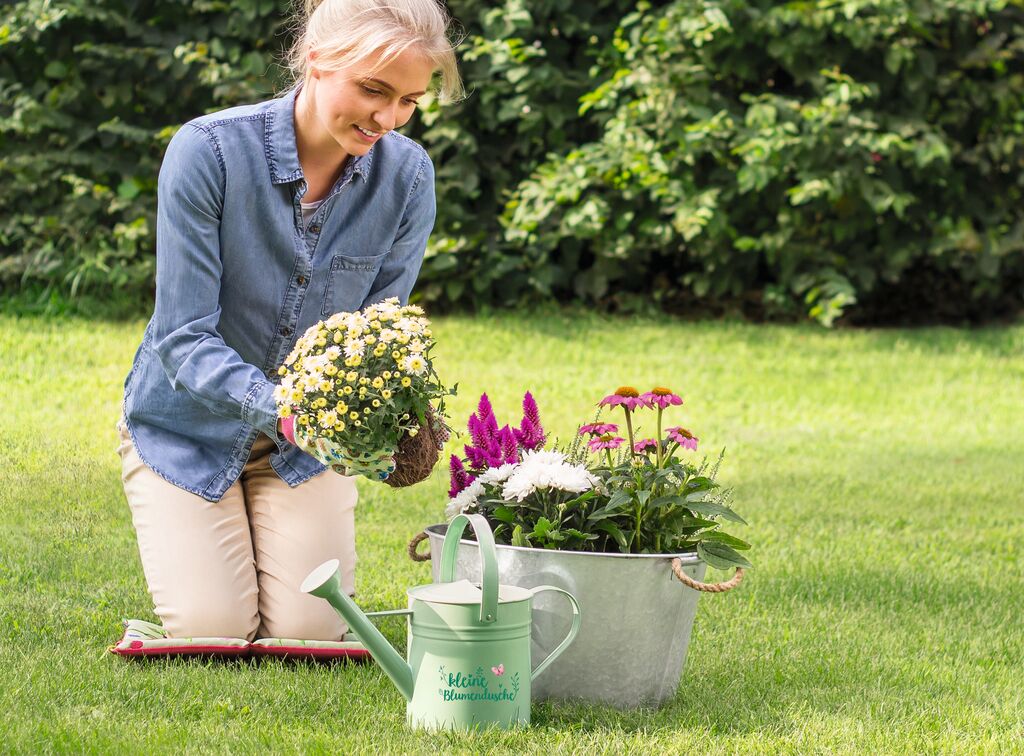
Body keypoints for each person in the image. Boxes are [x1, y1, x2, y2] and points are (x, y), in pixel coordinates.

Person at [115, 0, 464, 642]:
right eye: (373, 90)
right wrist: (286, 407)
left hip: (303, 452)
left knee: (308, 632)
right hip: (185, 430)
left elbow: (380, 334)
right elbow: (182, 338)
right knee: (212, 628)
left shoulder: (409, 178)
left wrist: (391, 421)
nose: (388, 119)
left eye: (410, 101)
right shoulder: (209, 152)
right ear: (316, 61)